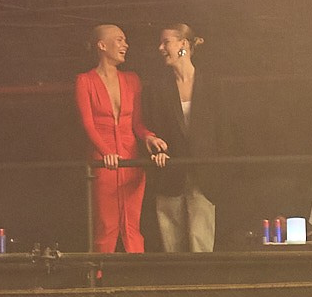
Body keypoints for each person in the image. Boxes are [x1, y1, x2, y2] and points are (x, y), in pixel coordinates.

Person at [140, 23, 219, 252]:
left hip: (204, 174)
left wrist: (217, 166)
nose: (160, 47)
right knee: (170, 244)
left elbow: (223, 130)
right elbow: (151, 127)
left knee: (201, 242)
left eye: (166, 42)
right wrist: (158, 152)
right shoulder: (158, 88)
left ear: (183, 45)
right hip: (169, 173)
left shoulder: (212, 85)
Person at [76, 24, 148, 253]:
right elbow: (88, 124)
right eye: (119, 40)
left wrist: (150, 138)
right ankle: (98, 279)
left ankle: (137, 278)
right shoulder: (85, 81)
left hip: (131, 160)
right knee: (106, 225)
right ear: (102, 45)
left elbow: (137, 123)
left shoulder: (132, 79)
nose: (125, 45)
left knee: (132, 224)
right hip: (103, 162)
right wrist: (105, 151)